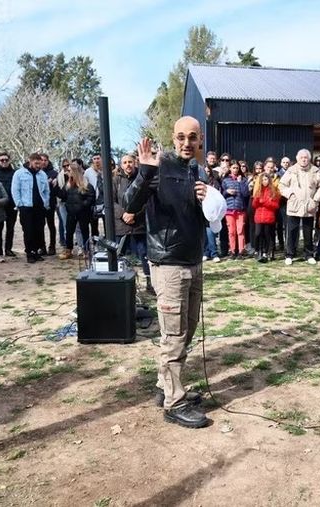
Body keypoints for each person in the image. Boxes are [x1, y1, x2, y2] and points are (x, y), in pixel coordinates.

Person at [123, 116, 209, 429]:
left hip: (193, 260)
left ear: (200, 139)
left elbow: (196, 215)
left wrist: (207, 201)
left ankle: (165, 386)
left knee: (186, 328)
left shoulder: (196, 169)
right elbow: (129, 203)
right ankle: (174, 403)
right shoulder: (159, 166)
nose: (187, 143)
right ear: (173, 138)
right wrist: (145, 171)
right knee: (174, 335)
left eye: (193, 137)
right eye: (181, 137)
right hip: (169, 264)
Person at [112, 154, 152, 293]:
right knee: (120, 256)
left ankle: (150, 283)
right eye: (125, 162)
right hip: (121, 226)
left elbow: (147, 201)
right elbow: (111, 202)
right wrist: (123, 214)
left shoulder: (141, 179)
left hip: (139, 225)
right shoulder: (115, 180)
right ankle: (120, 284)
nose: (128, 164)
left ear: (135, 163)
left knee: (145, 255)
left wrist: (135, 215)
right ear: (121, 165)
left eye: (130, 162)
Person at [279, 148, 320, 265]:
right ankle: (289, 254)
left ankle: (309, 254)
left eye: (306, 158)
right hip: (294, 205)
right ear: (297, 159)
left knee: (308, 231)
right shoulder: (291, 170)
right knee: (292, 231)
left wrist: (316, 199)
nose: (304, 160)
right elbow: (282, 185)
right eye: (302, 158)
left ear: (309, 159)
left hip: (309, 205)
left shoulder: (315, 170)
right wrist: (290, 194)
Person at [11, 153, 50, 263]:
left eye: (40, 163)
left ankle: (36, 251)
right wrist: (19, 204)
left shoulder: (42, 174)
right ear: (30, 161)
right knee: (28, 230)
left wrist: (45, 203)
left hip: (39, 207)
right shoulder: (19, 173)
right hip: (26, 207)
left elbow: (47, 190)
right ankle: (30, 253)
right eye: (36, 163)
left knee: (39, 230)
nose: (38, 165)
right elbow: (15, 190)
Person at [57, 159, 95, 260]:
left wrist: (83, 205)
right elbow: (62, 196)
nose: (67, 172)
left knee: (84, 231)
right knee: (69, 232)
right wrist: (55, 187)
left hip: (83, 213)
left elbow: (91, 197)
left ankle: (86, 251)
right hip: (71, 212)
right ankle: (68, 250)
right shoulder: (68, 185)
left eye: (69, 171)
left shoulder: (86, 184)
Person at [221, 162, 250, 259]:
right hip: (229, 210)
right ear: (230, 168)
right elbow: (221, 195)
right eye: (234, 168)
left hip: (240, 209)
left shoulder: (243, 180)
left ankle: (241, 250)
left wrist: (240, 182)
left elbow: (245, 194)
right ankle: (233, 251)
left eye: (237, 168)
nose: (236, 170)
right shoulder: (225, 180)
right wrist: (227, 192)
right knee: (231, 231)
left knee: (240, 231)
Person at [252, 172, 281, 262]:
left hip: (268, 216)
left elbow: (276, 206)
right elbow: (254, 205)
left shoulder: (273, 191)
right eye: (262, 180)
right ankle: (259, 250)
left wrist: (264, 202)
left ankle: (267, 252)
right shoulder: (258, 191)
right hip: (259, 216)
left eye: (266, 179)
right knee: (258, 234)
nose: (264, 181)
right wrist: (257, 200)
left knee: (267, 235)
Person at [0, 152, 17, 257]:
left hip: (12, 204)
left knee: (10, 228)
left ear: (9, 161)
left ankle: (8, 249)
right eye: (2, 160)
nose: (4, 162)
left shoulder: (14, 173)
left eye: (6, 160)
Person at [39, 153, 59, 256]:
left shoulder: (54, 173)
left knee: (51, 225)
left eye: (45, 160)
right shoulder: (36, 172)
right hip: (39, 203)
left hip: (50, 202)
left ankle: (52, 246)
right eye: (41, 160)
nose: (43, 162)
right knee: (40, 225)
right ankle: (42, 246)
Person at [84, 154, 104, 236]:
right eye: (94, 159)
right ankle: (95, 241)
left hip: (104, 201)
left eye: (98, 158)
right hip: (93, 201)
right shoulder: (88, 172)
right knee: (94, 224)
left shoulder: (105, 170)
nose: (96, 160)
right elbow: (84, 185)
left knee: (107, 223)